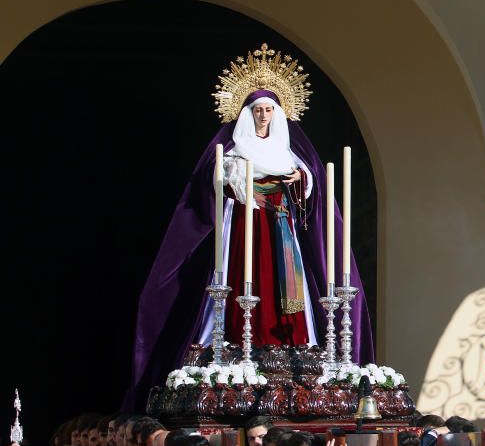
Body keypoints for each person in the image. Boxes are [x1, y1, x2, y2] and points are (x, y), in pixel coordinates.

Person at [129, 46, 374, 409]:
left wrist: (297, 178)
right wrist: (242, 183)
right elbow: (220, 180)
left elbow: (308, 182)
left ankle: (291, 344)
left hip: (280, 227)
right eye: (257, 110)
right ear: (247, 114)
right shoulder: (235, 147)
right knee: (245, 278)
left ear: (277, 115)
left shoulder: (288, 150)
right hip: (246, 223)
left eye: (268, 111)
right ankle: (234, 344)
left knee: (285, 284)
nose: (263, 116)